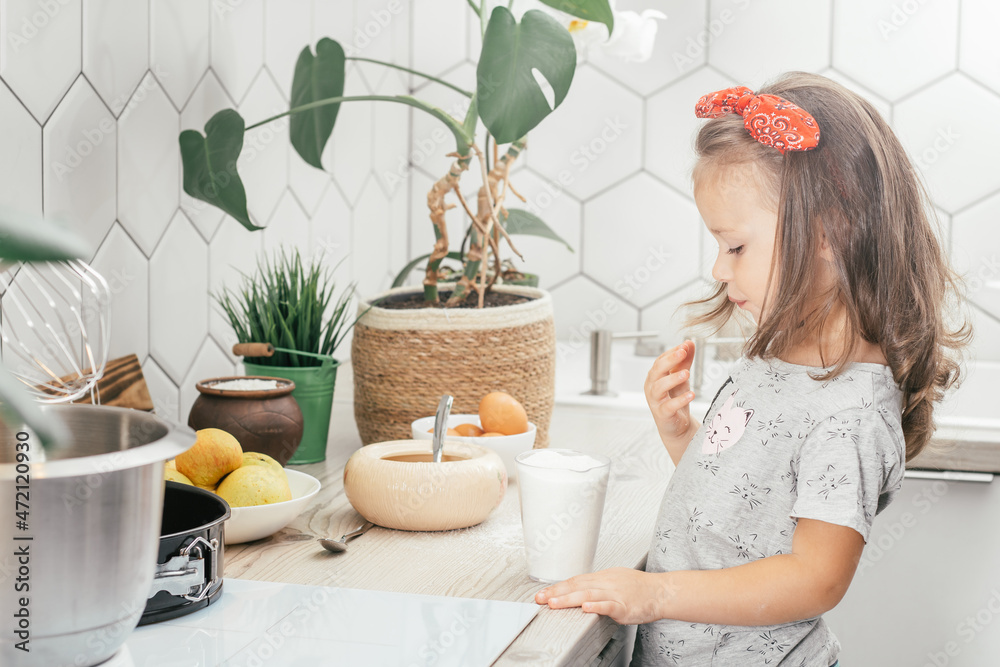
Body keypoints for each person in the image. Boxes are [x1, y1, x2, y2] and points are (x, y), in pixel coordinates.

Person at [533, 72, 970, 665]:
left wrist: (656, 594)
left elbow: (815, 578)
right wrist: (684, 436)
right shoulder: (774, 360)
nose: (719, 269)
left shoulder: (850, 415)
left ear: (831, 230)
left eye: (735, 246)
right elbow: (746, 505)